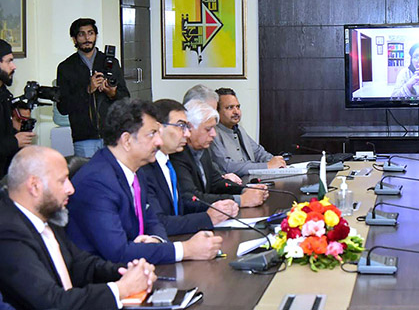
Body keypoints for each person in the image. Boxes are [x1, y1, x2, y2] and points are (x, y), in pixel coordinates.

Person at [66, 98, 223, 265]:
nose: (159, 141)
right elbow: (118, 252)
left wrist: (156, 240)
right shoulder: (97, 182)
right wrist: (185, 250)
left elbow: (152, 220)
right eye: (152, 134)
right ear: (127, 140)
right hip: (105, 280)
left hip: (139, 268)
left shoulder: (136, 172)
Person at [0, 146, 156, 310]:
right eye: (62, 181)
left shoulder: (47, 215)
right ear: (34, 186)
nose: (71, 189)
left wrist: (130, 272)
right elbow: (51, 303)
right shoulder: (8, 232)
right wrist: (121, 289)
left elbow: (83, 266)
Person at [142, 99, 239, 235]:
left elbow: (183, 204)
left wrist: (219, 207)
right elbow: (158, 222)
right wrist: (208, 218)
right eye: (181, 126)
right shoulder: (145, 167)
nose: (187, 134)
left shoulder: (167, 162)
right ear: (159, 128)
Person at [170, 100, 269, 207]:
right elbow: (192, 198)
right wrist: (241, 200)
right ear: (190, 128)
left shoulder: (202, 149)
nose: (213, 134)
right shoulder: (178, 155)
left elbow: (217, 183)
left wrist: (246, 190)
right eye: (208, 129)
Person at [56, 18, 130, 158]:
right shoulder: (66, 67)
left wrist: (112, 93)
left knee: (113, 177)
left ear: (96, 35)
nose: (86, 38)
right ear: (74, 39)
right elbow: (63, 107)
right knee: (88, 177)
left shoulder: (110, 62)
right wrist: (87, 90)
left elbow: (125, 98)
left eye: (90, 33)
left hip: (111, 135)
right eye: (81, 34)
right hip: (84, 138)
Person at [209, 87, 286, 176]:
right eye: (230, 108)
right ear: (216, 111)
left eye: (238, 107)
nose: (236, 112)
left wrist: (277, 162)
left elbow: (258, 153)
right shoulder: (212, 134)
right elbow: (227, 167)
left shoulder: (238, 129)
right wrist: (267, 166)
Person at [0, 39, 34, 177]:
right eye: (9, 61)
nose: (14, 66)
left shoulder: (5, 94)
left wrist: (18, 127)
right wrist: (15, 141)